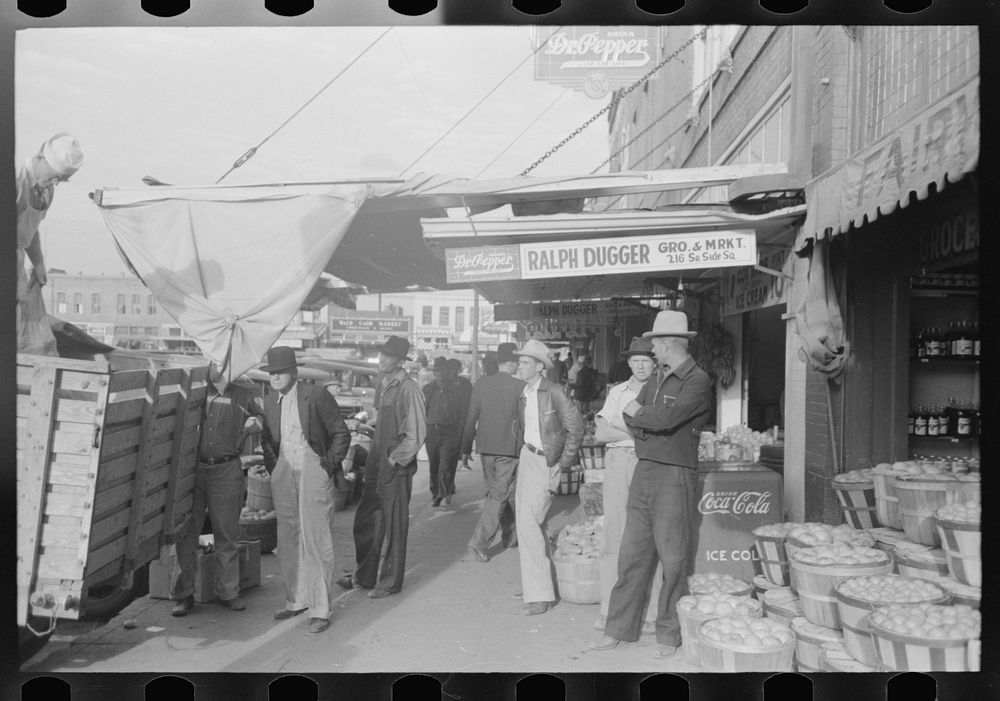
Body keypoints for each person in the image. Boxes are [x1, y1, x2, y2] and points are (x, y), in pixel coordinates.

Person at [590, 311, 712, 658]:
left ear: (668, 344)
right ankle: (618, 628)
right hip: (645, 470)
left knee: (672, 559)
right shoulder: (658, 378)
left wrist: (644, 419)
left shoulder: (697, 380)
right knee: (632, 554)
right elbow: (636, 419)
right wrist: (647, 422)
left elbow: (665, 418)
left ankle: (668, 635)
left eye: (655, 345)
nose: (652, 351)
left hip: (674, 475)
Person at [258, 346, 351, 634]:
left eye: (280, 372)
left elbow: (341, 433)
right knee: (287, 539)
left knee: (316, 538)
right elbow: (266, 439)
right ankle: (296, 600)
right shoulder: (270, 402)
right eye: (272, 372)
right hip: (284, 470)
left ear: (293, 373)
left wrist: (326, 466)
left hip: (313, 467)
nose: (275, 377)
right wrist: (275, 469)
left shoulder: (316, 395)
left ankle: (320, 609)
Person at [336, 335, 426, 598]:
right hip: (377, 458)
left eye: (387, 356)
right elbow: (381, 418)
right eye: (381, 354)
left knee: (394, 525)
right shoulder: (383, 382)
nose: (382, 359)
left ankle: (389, 582)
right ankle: (364, 575)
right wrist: (364, 425)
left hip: (396, 464)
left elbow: (416, 434)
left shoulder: (409, 388)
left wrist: (394, 459)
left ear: (400, 361)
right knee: (367, 518)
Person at [171, 365, 262, 617]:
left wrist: (257, 422)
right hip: (194, 470)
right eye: (211, 359)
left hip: (227, 470)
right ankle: (183, 595)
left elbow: (265, 419)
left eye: (220, 360)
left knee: (226, 533)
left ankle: (228, 592)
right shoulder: (197, 391)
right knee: (187, 533)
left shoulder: (244, 394)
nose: (215, 365)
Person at [590, 338, 662, 634]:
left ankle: (652, 612)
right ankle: (611, 610)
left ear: (655, 361)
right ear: (628, 363)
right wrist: (637, 429)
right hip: (619, 462)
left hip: (650, 464)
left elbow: (662, 431)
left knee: (652, 536)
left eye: (646, 359)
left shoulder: (663, 390)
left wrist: (621, 427)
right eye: (636, 360)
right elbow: (600, 434)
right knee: (614, 536)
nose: (641, 365)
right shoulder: (617, 392)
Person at [513, 339, 583, 615]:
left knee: (529, 525)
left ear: (539, 367)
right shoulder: (525, 393)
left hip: (545, 461)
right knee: (530, 523)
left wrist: (561, 465)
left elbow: (576, 428)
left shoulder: (554, 392)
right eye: (520, 361)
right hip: (527, 457)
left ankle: (540, 594)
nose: (519, 366)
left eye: (525, 362)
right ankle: (537, 585)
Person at [16, 132, 84, 355]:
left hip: (15, 259)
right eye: (55, 176)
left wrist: (38, 264)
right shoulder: (16, 179)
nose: (56, 183)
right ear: (40, 158)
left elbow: (31, 230)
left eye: (62, 180)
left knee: (31, 334)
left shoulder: (47, 191)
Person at [461, 342, 525, 562]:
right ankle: (479, 542)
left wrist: (464, 448)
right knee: (499, 494)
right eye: (518, 362)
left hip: (486, 447)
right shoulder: (520, 387)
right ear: (511, 362)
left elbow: (471, 417)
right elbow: (525, 422)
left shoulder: (481, 384)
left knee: (496, 494)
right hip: (509, 448)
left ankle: (511, 535)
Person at [423, 356, 466, 507]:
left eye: (443, 370)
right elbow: (422, 411)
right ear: (434, 373)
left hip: (450, 434)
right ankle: (436, 492)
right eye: (437, 371)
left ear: (447, 372)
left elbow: (462, 414)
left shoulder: (457, 390)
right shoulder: (427, 389)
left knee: (445, 465)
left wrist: (460, 435)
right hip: (432, 433)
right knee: (434, 465)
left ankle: (444, 492)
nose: (440, 374)